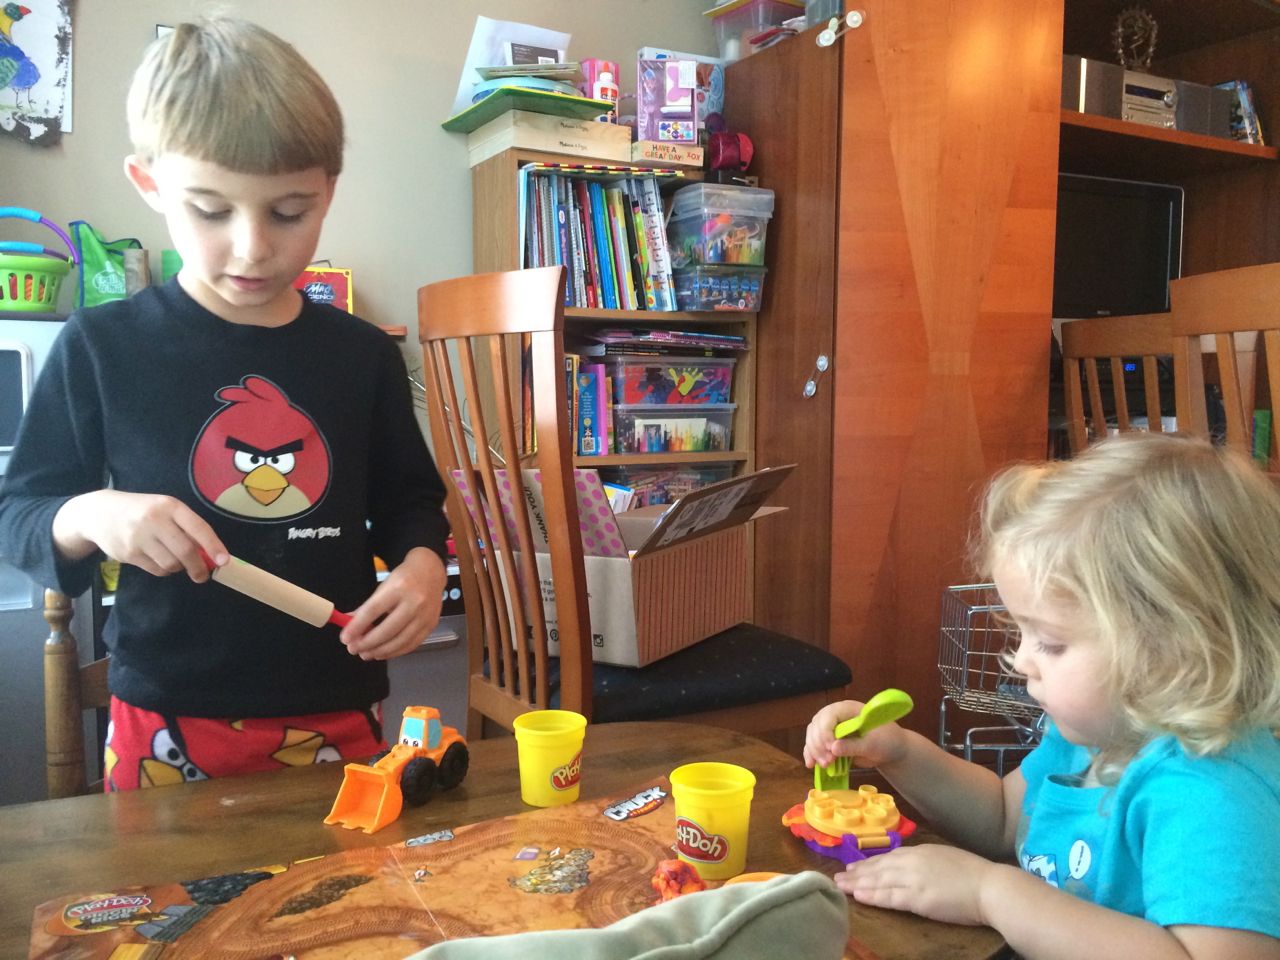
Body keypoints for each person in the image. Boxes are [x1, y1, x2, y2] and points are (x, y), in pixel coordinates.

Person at [0, 18, 450, 790]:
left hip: (336, 702)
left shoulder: (362, 355)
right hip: (164, 714)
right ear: (149, 184)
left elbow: (411, 502)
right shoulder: (103, 345)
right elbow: (21, 514)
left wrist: (423, 568)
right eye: (211, 210)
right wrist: (95, 515)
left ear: (329, 190)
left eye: (289, 212)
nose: (253, 246)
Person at [805, 433, 1280, 960]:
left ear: (1176, 648)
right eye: (1020, 632)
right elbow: (1002, 818)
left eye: (1050, 642)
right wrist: (900, 753)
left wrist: (991, 893)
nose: (1020, 660)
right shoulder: (1096, 735)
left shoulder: (1214, 791)